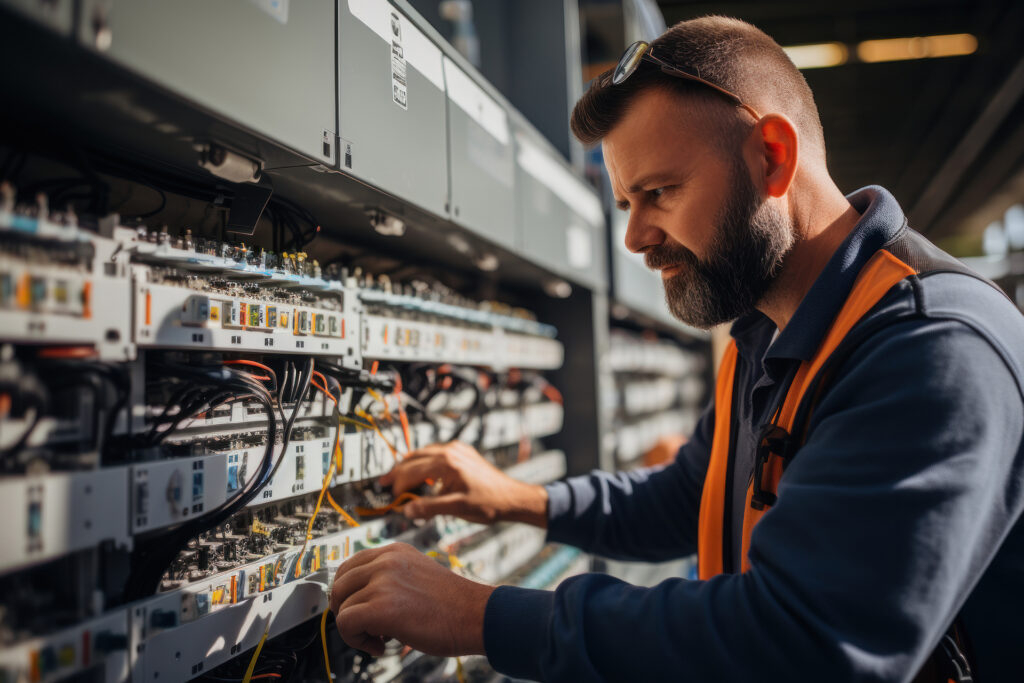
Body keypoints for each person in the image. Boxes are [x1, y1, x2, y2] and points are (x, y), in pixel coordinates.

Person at [329, 16, 1024, 682]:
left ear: (773, 156)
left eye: (658, 192)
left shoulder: (928, 343)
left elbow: (805, 642)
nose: (633, 237)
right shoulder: (767, 332)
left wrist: (482, 615)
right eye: (626, 200)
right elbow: (693, 495)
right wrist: (517, 498)